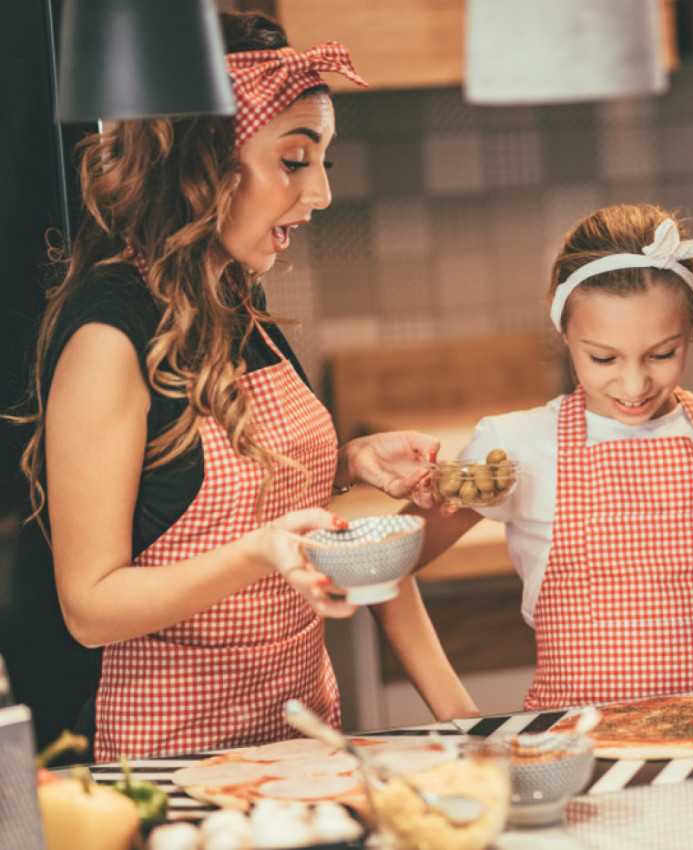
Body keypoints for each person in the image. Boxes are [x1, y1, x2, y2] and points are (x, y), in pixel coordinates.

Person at [1, 10, 475, 760]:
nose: (319, 193)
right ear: (204, 162)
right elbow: (89, 607)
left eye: (322, 162)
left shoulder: (233, 298)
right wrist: (259, 553)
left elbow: (195, 492)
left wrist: (347, 463)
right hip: (166, 761)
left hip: (294, 740)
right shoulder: (108, 337)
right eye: (294, 160)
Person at [375, 204, 693, 710]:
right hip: (575, 747)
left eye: (662, 354)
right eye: (603, 358)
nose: (634, 385)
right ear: (563, 330)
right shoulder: (514, 447)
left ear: (691, 328)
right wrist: (458, 714)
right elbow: (382, 565)